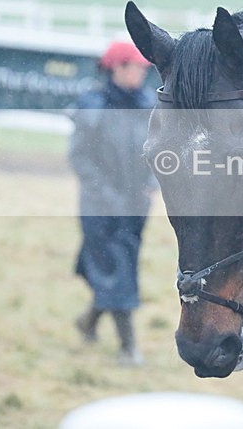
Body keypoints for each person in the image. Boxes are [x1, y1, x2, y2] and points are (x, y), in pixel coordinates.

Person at [69, 41, 156, 366]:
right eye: (136, 67)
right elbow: (80, 158)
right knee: (118, 271)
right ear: (117, 68)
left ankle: (88, 320)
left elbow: (158, 151)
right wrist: (108, 195)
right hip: (101, 208)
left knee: (118, 268)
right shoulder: (93, 107)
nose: (142, 73)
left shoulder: (148, 104)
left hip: (136, 207)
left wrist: (152, 182)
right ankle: (128, 347)